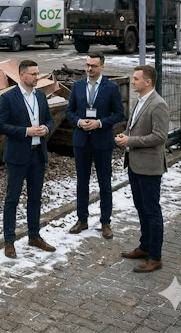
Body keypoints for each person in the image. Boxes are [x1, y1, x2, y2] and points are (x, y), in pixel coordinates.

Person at [0, 59, 56, 258]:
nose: (37, 77)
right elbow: (1, 126)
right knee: (12, 199)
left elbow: (49, 118)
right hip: (17, 156)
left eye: (38, 73)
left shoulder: (40, 95)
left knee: (35, 198)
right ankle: (9, 241)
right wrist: (26, 131)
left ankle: (34, 235)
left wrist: (46, 128)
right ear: (22, 75)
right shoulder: (8, 97)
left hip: (38, 154)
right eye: (33, 74)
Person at [115, 65, 169, 273]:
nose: (133, 81)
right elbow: (134, 128)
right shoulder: (141, 101)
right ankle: (144, 247)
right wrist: (124, 137)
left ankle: (155, 257)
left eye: (136, 79)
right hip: (135, 164)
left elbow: (159, 136)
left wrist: (131, 140)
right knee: (141, 208)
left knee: (152, 211)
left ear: (148, 82)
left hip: (149, 167)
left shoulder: (158, 105)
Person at [65, 52, 124, 239]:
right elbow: (69, 111)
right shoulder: (78, 86)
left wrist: (100, 123)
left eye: (93, 66)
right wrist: (78, 121)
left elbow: (119, 114)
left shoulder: (111, 88)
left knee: (104, 183)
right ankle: (82, 219)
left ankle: (105, 222)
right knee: (82, 183)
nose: (89, 69)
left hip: (102, 141)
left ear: (102, 67)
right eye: (87, 65)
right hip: (81, 141)